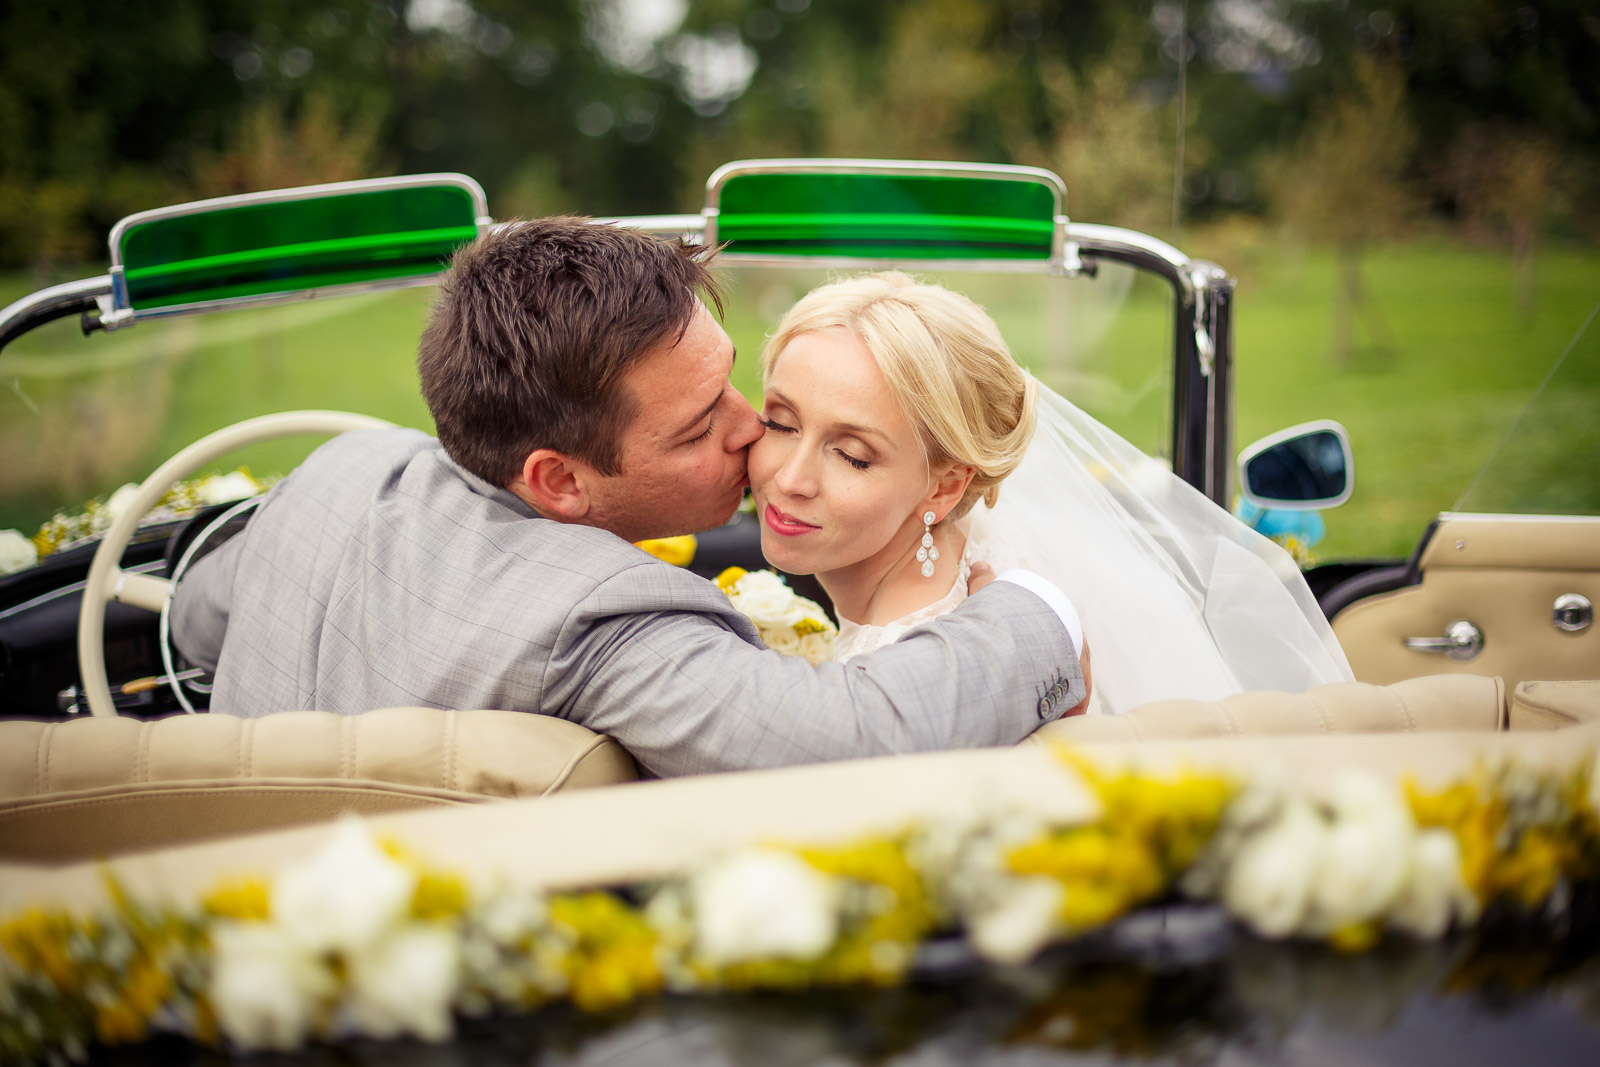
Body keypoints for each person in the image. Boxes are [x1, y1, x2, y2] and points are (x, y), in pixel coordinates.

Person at [169, 220, 1088, 778]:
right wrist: (1044, 608)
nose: (750, 436)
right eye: (696, 429)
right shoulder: (598, 618)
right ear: (558, 481)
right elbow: (849, 740)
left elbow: (194, 617)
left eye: (741, 388)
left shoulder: (342, 469)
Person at [747, 272, 1352, 716]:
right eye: (779, 423)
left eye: (853, 454)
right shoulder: (987, 559)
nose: (791, 479)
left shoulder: (907, 680)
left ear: (946, 485)